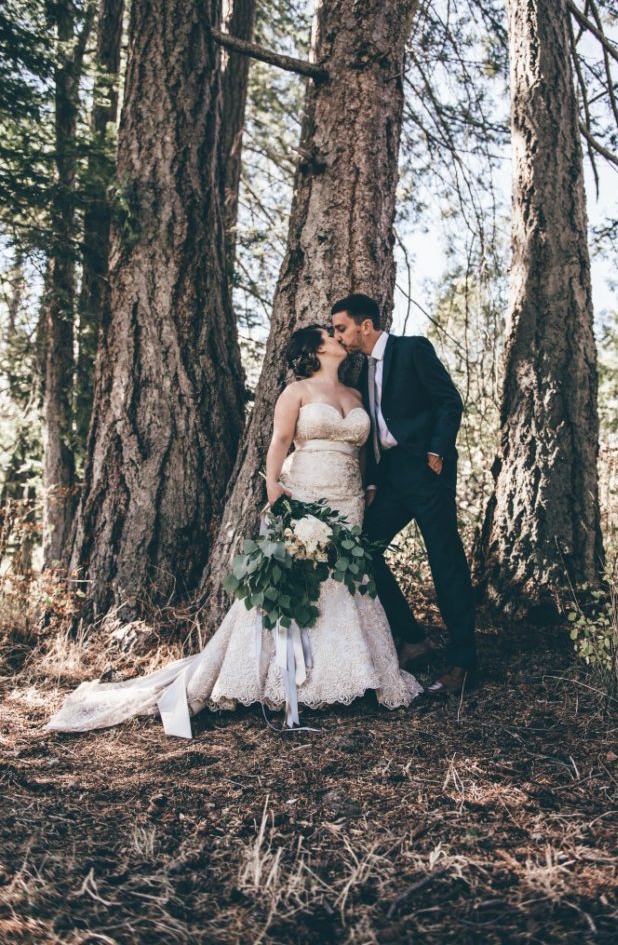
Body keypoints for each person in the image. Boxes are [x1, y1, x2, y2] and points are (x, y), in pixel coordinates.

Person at [46, 325, 420, 739]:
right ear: (316, 349)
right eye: (329, 335)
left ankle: (352, 674)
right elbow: (279, 440)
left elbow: (361, 451)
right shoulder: (296, 391)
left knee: (342, 579)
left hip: (348, 498)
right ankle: (291, 678)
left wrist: (366, 487)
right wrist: (273, 486)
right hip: (306, 490)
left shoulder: (355, 395)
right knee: (301, 577)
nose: (337, 338)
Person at [331, 293, 477, 695]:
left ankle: (464, 662)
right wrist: (373, 482)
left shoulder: (412, 349)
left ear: (365, 325)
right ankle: (414, 638)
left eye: (341, 328)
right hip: (391, 479)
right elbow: (377, 432)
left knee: (445, 561)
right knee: (363, 550)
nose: (338, 336)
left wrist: (437, 452)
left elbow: (449, 402)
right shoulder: (361, 371)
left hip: (428, 472)